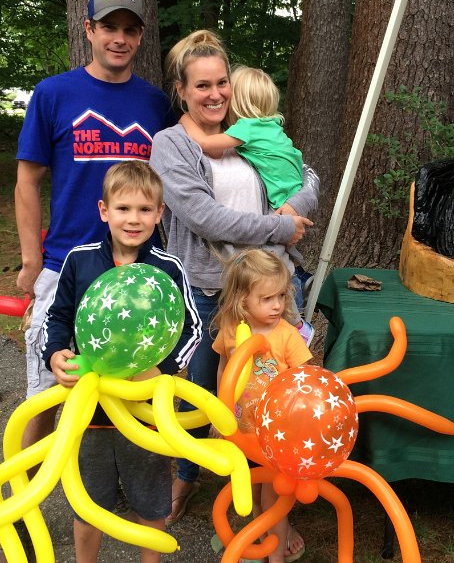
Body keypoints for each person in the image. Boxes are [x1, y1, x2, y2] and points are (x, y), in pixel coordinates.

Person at [149, 29, 317, 559]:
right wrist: (277, 226)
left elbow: (306, 174)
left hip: (268, 291)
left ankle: (269, 499)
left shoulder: (248, 131)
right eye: (202, 85)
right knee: (202, 389)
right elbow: (204, 216)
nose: (215, 93)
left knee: (272, 390)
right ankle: (185, 477)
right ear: (181, 89)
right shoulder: (171, 145)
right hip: (207, 290)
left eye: (222, 82)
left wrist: (292, 212)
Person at [14, 0, 177, 472]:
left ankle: (126, 482)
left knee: (132, 387)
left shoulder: (155, 105)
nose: (118, 38)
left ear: (141, 35)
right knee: (43, 392)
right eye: (108, 27)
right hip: (67, 263)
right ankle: (22, 491)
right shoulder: (53, 94)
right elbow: (27, 180)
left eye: (129, 29)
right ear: (89, 30)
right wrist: (31, 259)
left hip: (136, 272)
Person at [42, 161, 201, 563]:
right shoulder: (79, 260)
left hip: (145, 414)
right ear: (103, 210)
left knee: (151, 503)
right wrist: (55, 353)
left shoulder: (168, 267)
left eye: (145, 210)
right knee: (87, 503)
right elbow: (57, 317)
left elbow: (192, 329)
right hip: (87, 409)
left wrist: (161, 370)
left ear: (160, 213)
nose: (134, 219)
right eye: (124, 208)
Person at [213, 249, 311, 563]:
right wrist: (221, 410)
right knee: (251, 493)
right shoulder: (231, 330)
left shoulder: (287, 336)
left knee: (275, 501)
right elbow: (223, 369)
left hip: (275, 440)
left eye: (281, 296)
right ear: (244, 300)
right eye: (267, 298)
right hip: (242, 432)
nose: (278, 305)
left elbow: (303, 382)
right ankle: (258, 533)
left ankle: (276, 554)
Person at [180, 65, 303, 211]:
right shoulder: (272, 125)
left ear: (236, 101)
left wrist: (186, 118)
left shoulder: (247, 127)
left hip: (281, 203)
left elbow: (205, 142)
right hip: (296, 193)